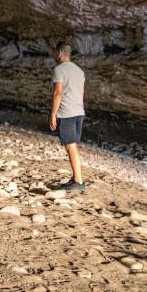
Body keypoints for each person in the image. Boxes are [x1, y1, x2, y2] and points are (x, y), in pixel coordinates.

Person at [49, 42, 86, 192]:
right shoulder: (79, 71)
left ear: (59, 53)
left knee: (70, 147)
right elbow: (81, 93)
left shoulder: (59, 69)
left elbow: (58, 93)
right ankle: (75, 179)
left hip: (66, 113)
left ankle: (78, 181)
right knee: (72, 146)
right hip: (79, 112)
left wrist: (53, 113)